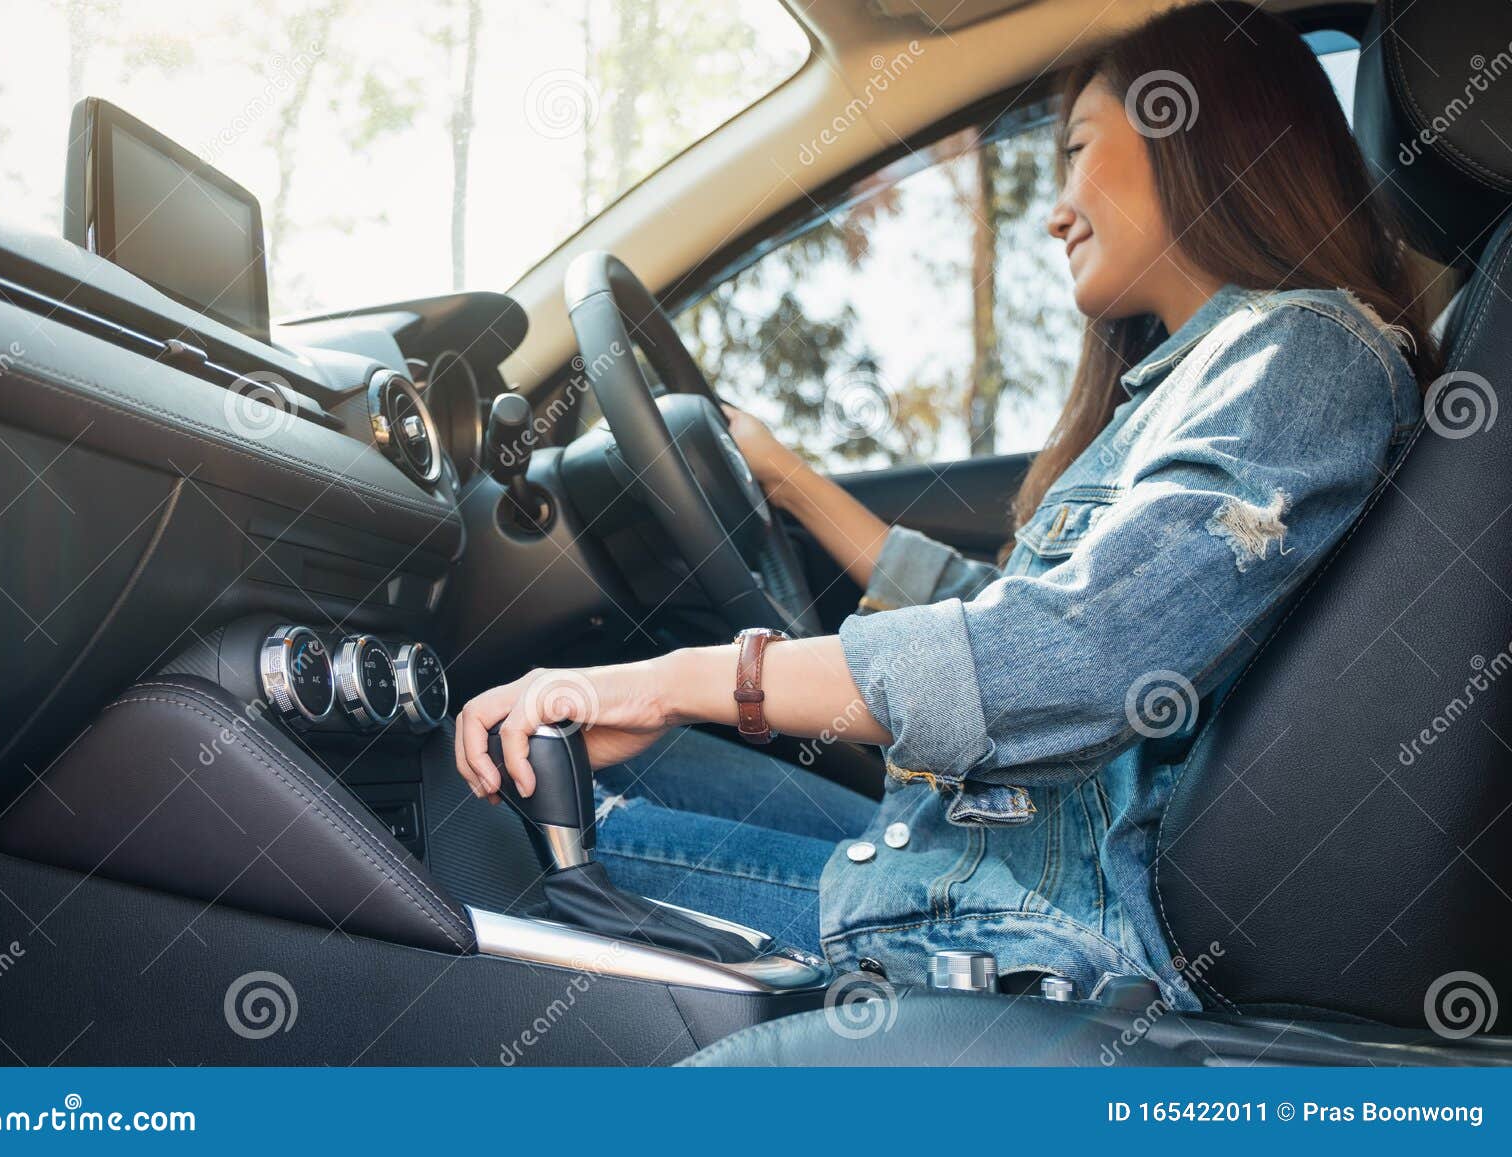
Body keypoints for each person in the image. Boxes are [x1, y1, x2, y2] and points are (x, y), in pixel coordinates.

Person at [453, 1, 1438, 1005]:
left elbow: (1077, 655)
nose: (1055, 207)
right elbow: (1024, 608)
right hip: (979, 861)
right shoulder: (1211, 377)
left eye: (1076, 151)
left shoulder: (1302, 353)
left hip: (1022, 927)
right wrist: (788, 482)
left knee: (488, 819)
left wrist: (669, 681)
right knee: (593, 766)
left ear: (1192, 132)